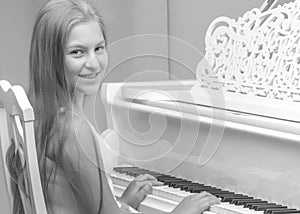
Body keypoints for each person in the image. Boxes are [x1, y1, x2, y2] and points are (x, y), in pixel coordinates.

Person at [7, 0, 220, 213]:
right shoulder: (72, 127)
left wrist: (123, 203)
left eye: (99, 48)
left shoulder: (38, 111)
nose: (94, 63)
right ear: (50, 58)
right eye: (77, 52)